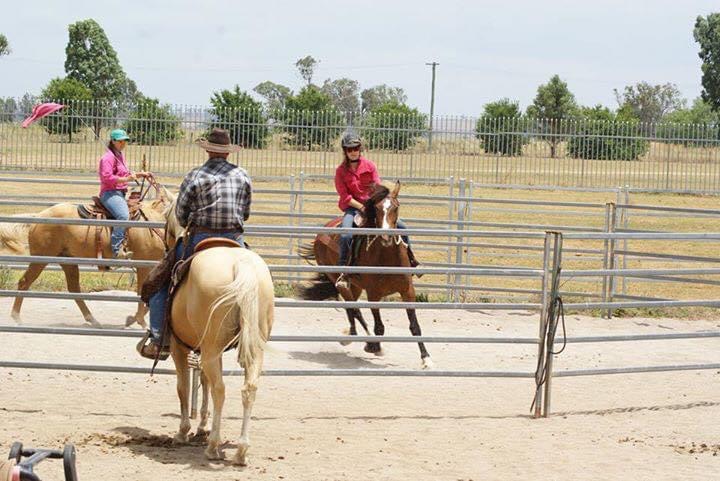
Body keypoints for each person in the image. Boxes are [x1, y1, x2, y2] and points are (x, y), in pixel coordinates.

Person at [138, 128, 251, 359]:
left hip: (201, 237)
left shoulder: (195, 175)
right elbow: (246, 213)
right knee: (256, 277)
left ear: (208, 149)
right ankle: (252, 337)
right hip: (235, 240)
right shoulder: (243, 175)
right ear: (228, 152)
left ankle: (159, 340)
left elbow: (180, 214)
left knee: (161, 280)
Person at [334, 131, 419, 290]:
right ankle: (343, 272)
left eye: (356, 148)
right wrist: (360, 207)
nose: (353, 152)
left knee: (402, 227)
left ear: (360, 149)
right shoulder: (340, 171)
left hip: (372, 207)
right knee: (346, 234)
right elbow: (344, 196)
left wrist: (373, 206)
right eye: (349, 149)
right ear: (345, 151)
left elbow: (378, 188)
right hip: (353, 209)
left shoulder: (370, 166)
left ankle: (412, 260)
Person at [97, 129, 149, 259]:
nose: (123, 143)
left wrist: (139, 174)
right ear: (113, 141)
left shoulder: (119, 155)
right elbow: (106, 178)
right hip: (109, 193)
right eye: (120, 141)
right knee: (123, 215)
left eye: (124, 141)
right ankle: (116, 249)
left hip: (119, 192)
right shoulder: (107, 157)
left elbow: (124, 173)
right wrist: (127, 180)